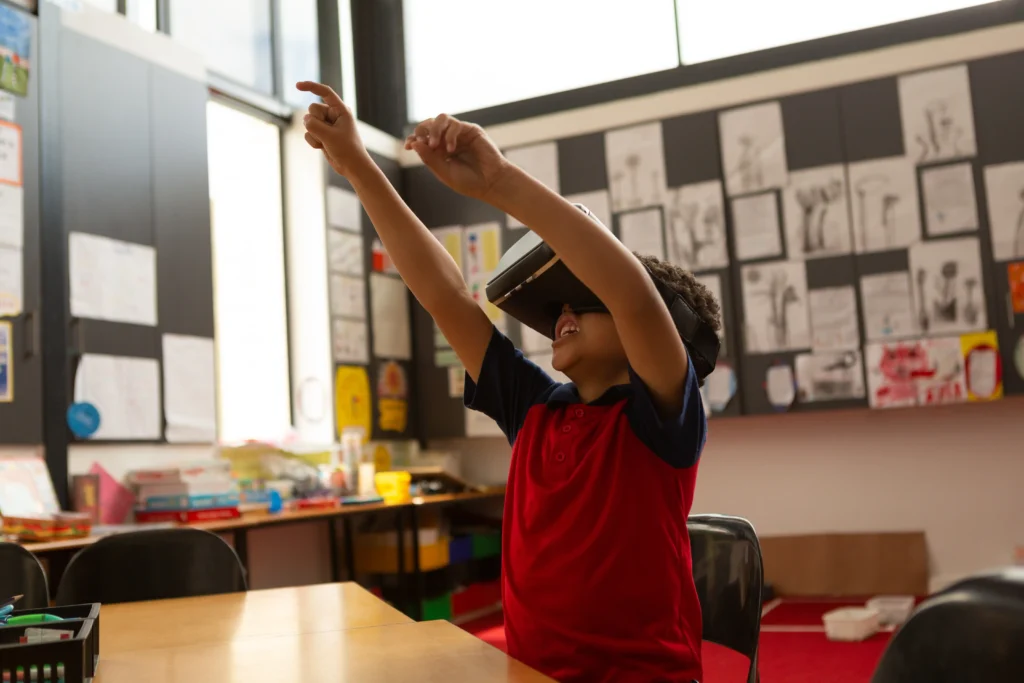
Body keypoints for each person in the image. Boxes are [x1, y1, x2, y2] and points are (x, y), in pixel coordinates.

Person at [297, 80, 721, 683]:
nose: (562, 317)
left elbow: (633, 295)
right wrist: (360, 167)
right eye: (558, 308)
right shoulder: (536, 408)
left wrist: (498, 183)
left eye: (583, 301)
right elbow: (444, 293)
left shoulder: (660, 418)